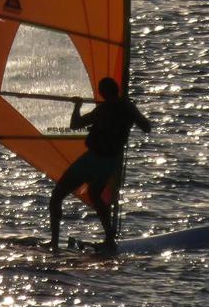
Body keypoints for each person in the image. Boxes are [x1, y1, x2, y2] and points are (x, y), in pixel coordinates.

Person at [50, 76, 151, 252]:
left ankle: (54, 242)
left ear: (101, 93)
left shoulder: (107, 109)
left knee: (57, 195)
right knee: (94, 194)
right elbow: (146, 127)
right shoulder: (118, 108)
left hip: (96, 159)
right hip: (109, 161)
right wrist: (131, 112)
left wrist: (77, 106)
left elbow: (75, 125)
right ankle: (110, 238)